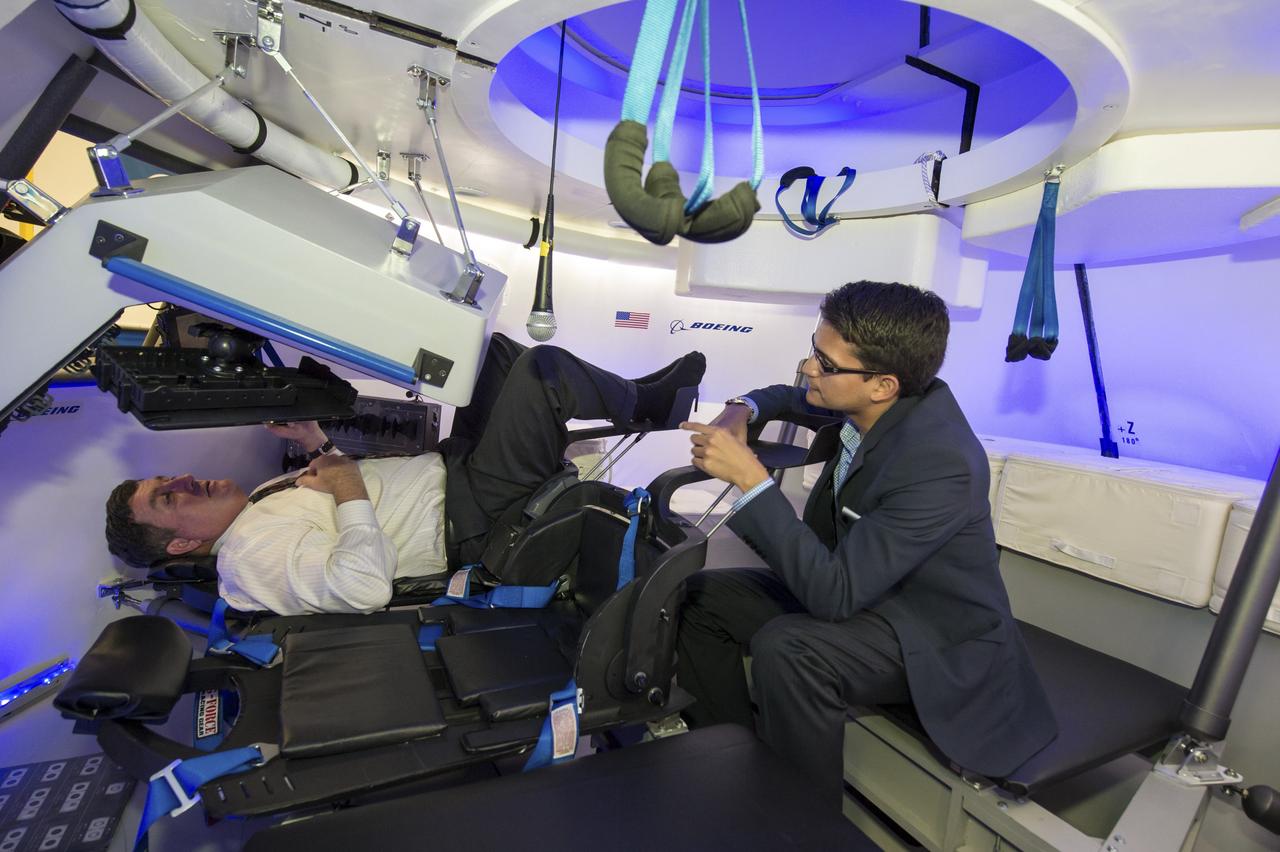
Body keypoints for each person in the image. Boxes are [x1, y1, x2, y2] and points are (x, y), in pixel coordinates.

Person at [677, 280, 1056, 808]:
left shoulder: (939, 461)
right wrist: (743, 407)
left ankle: (802, 823)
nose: (810, 367)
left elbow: (833, 595)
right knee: (698, 598)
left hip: (932, 634)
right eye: (814, 349)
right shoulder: (878, 403)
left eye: (825, 364)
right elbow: (794, 397)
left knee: (790, 649)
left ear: (882, 384)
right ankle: (730, 758)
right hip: (868, 593)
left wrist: (751, 480)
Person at [104, 333, 705, 615]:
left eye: (168, 476)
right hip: (474, 515)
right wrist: (345, 485)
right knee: (541, 371)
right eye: (167, 497)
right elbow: (363, 585)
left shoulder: (256, 506)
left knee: (485, 355)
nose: (182, 479)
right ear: (183, 542)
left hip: (453, 470)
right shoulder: (245, 560)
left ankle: (636, 395)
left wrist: (317, 443)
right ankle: (650, 405)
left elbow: (340, 501)